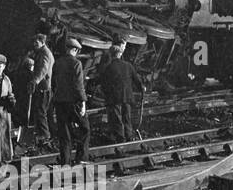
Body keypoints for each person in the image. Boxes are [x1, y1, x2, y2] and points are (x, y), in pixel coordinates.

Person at [51, 38, 90, 166]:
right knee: (85, 129)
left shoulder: (57, 63)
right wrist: (83, 102)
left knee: (65, 133)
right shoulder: (76, 63)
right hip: (74, 102)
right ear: (75, 50)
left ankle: (65, 162)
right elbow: (78, 85)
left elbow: (53, 84)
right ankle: (81, 158)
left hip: (60, 102)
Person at [97, 39, 145, 144]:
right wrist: (142, 88)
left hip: (114, 98)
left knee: (117, 119)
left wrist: (106, 94)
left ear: (111, 54)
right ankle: (129, 137)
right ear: (120, 54)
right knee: (127, 117)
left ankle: (120, 139)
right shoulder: (128, 65)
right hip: (127, 97)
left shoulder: (108, 68)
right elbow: (136, 80)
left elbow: (104, 84)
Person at [28, 30, 55, 145]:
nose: (34, 45)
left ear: (42, 42)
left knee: (41, 111)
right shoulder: (41, 52)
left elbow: (43, 69)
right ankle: (44, 133)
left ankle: (45, 135)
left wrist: (35, 80)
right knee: (43, 111)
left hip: (43, 87)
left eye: (36, 43)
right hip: (44, 86)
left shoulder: (45, 53)